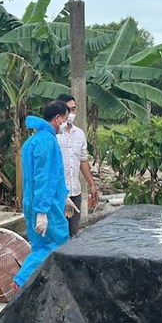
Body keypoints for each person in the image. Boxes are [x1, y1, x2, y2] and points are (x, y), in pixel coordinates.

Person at [14, 100, 78, 287]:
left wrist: (65, 196)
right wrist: (42, 211)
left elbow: (52, 176)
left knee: (40, 245)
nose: (67, 122)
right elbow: (45, 177)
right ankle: (21, 281)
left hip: (37, 201)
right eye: (66, 118)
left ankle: (32, 285)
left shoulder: (33, 141)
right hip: (46, 204)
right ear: (57, 118)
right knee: (54, 245)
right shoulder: (47, 141)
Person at [55, 94, 99, 237]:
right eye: (67, 109)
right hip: (58, 193)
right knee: (57, 234)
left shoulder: (79, 134)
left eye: (73, 109)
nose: (71, 113)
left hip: (75, 192)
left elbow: (83, 160)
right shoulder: (54, 135)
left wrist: (92, 184)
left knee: (73, 233)